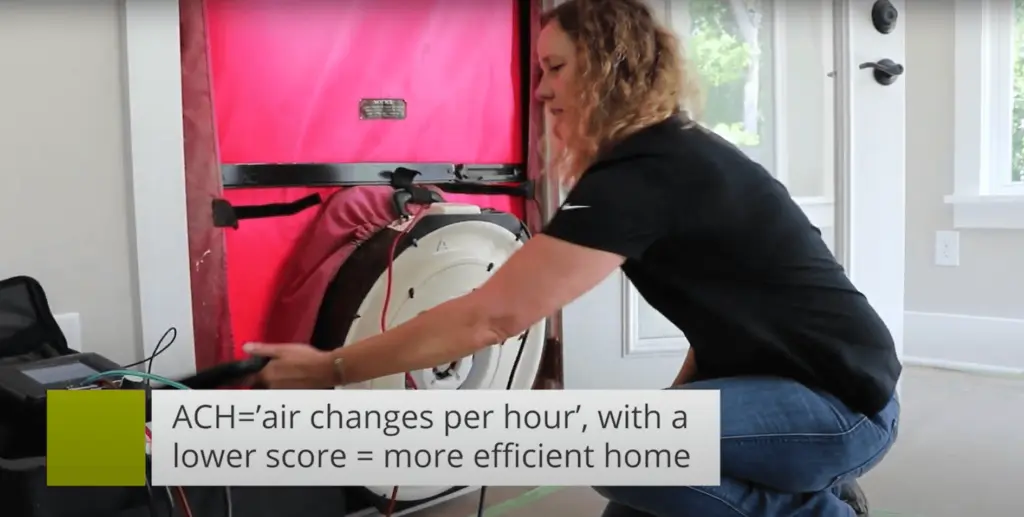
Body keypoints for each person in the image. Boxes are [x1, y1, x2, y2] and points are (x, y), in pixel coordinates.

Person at [244, 0, 902, 515]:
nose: (540, 90)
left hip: (843, 408)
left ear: (610, 65)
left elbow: (490, 318)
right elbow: (725, 321)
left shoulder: (649, 170)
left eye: (555, 68)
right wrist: (671, 416)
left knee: (620, 449)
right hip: (800, 389)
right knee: (636, 496)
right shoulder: (663, 155)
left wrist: (333, 366)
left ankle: (823, 509)